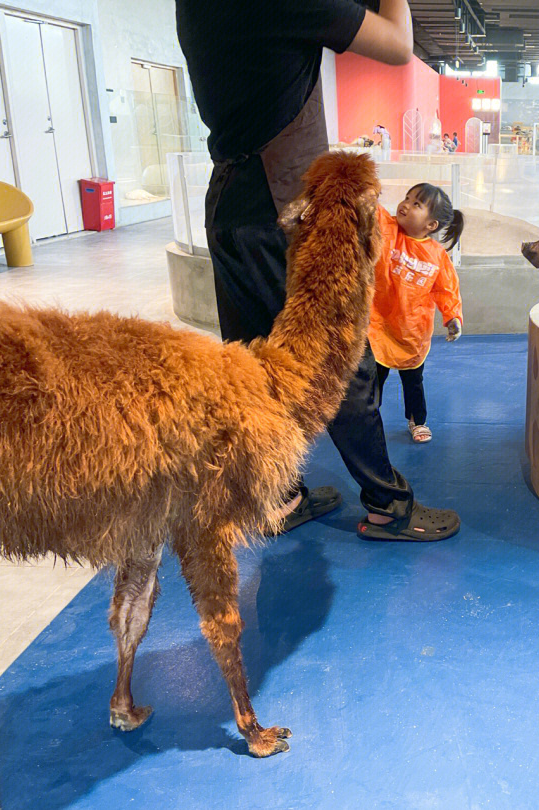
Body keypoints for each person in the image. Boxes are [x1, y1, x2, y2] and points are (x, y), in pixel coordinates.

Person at [177, 0, 461, 541]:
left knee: (255, 361)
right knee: (338, 361)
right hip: (284, 208)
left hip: (230, 204)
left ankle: (277, 499)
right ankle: (386, 505)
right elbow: (399, 44)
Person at [370, 184, 463, 446]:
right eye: (407, 198)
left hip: (412, 332)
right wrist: (366, 188)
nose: (405, 205)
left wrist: (452, 317)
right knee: (372, 380)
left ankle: (417, 420)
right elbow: (372, 210)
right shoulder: (390, 230)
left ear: (431, 225)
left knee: (413, 382)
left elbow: (447, 290)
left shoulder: (436, 255)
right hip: (378, 325)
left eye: (416, 204)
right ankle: (367, 421)